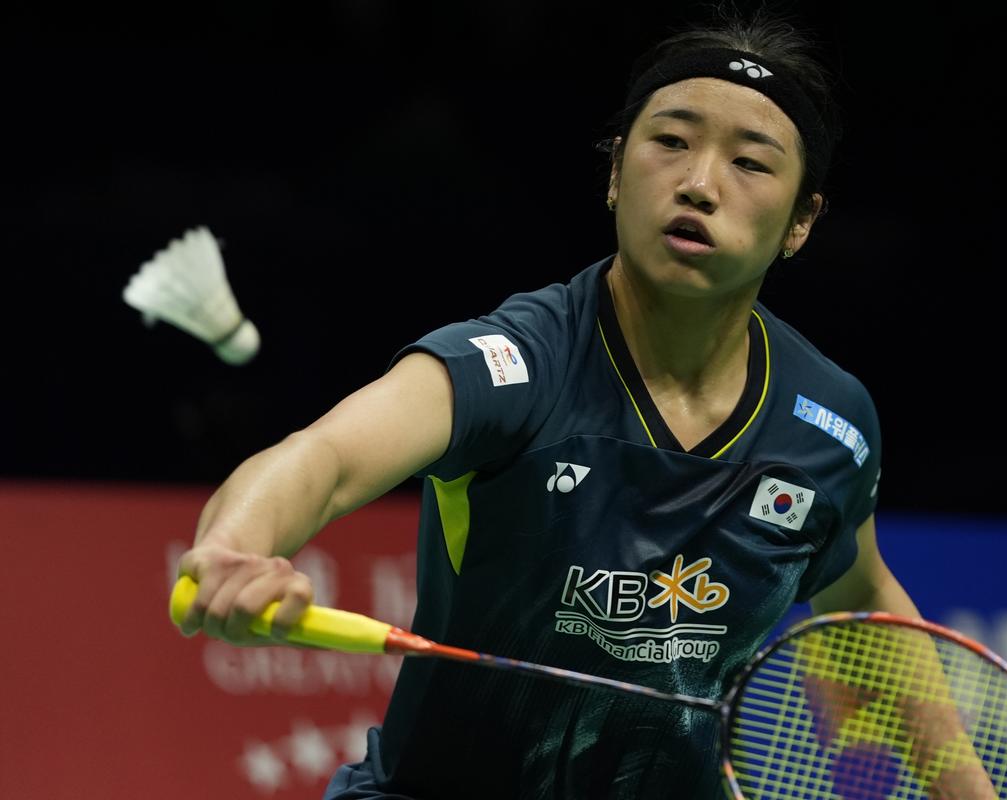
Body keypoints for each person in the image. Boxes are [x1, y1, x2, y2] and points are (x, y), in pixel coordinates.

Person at [174, 7, 926, 799]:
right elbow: (324, 458)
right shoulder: (519, 364)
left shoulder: (827, 421)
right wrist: (236, 547)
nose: (699, 183)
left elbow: (861, 596)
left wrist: (957, 781)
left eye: (750, 162)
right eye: (670, 141)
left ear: (801, 222)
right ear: (613, 173)